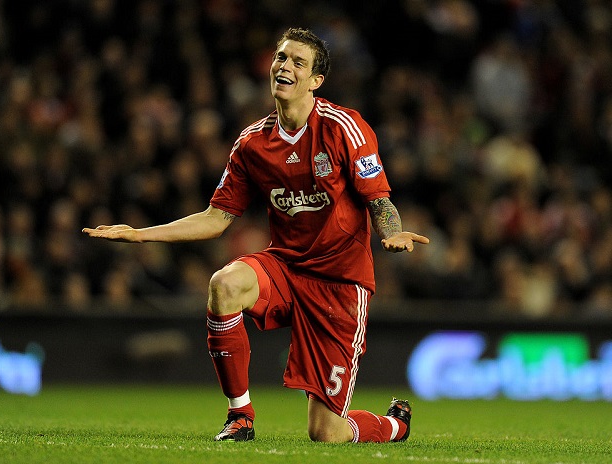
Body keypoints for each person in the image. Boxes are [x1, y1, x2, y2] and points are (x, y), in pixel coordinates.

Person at [82, 27, 430, 443]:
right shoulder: (252, 143)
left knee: (326, 433)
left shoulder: (344, 127)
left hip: (339, 281)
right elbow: (216, 218)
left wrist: (392, 232)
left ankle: (395, 425)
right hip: (285, 266)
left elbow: (379, 199)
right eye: (281, 57)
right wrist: (141, 235)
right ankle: (240, 416)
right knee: (224, 285)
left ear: (316, 81)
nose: (285, 66)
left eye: (298, 62)